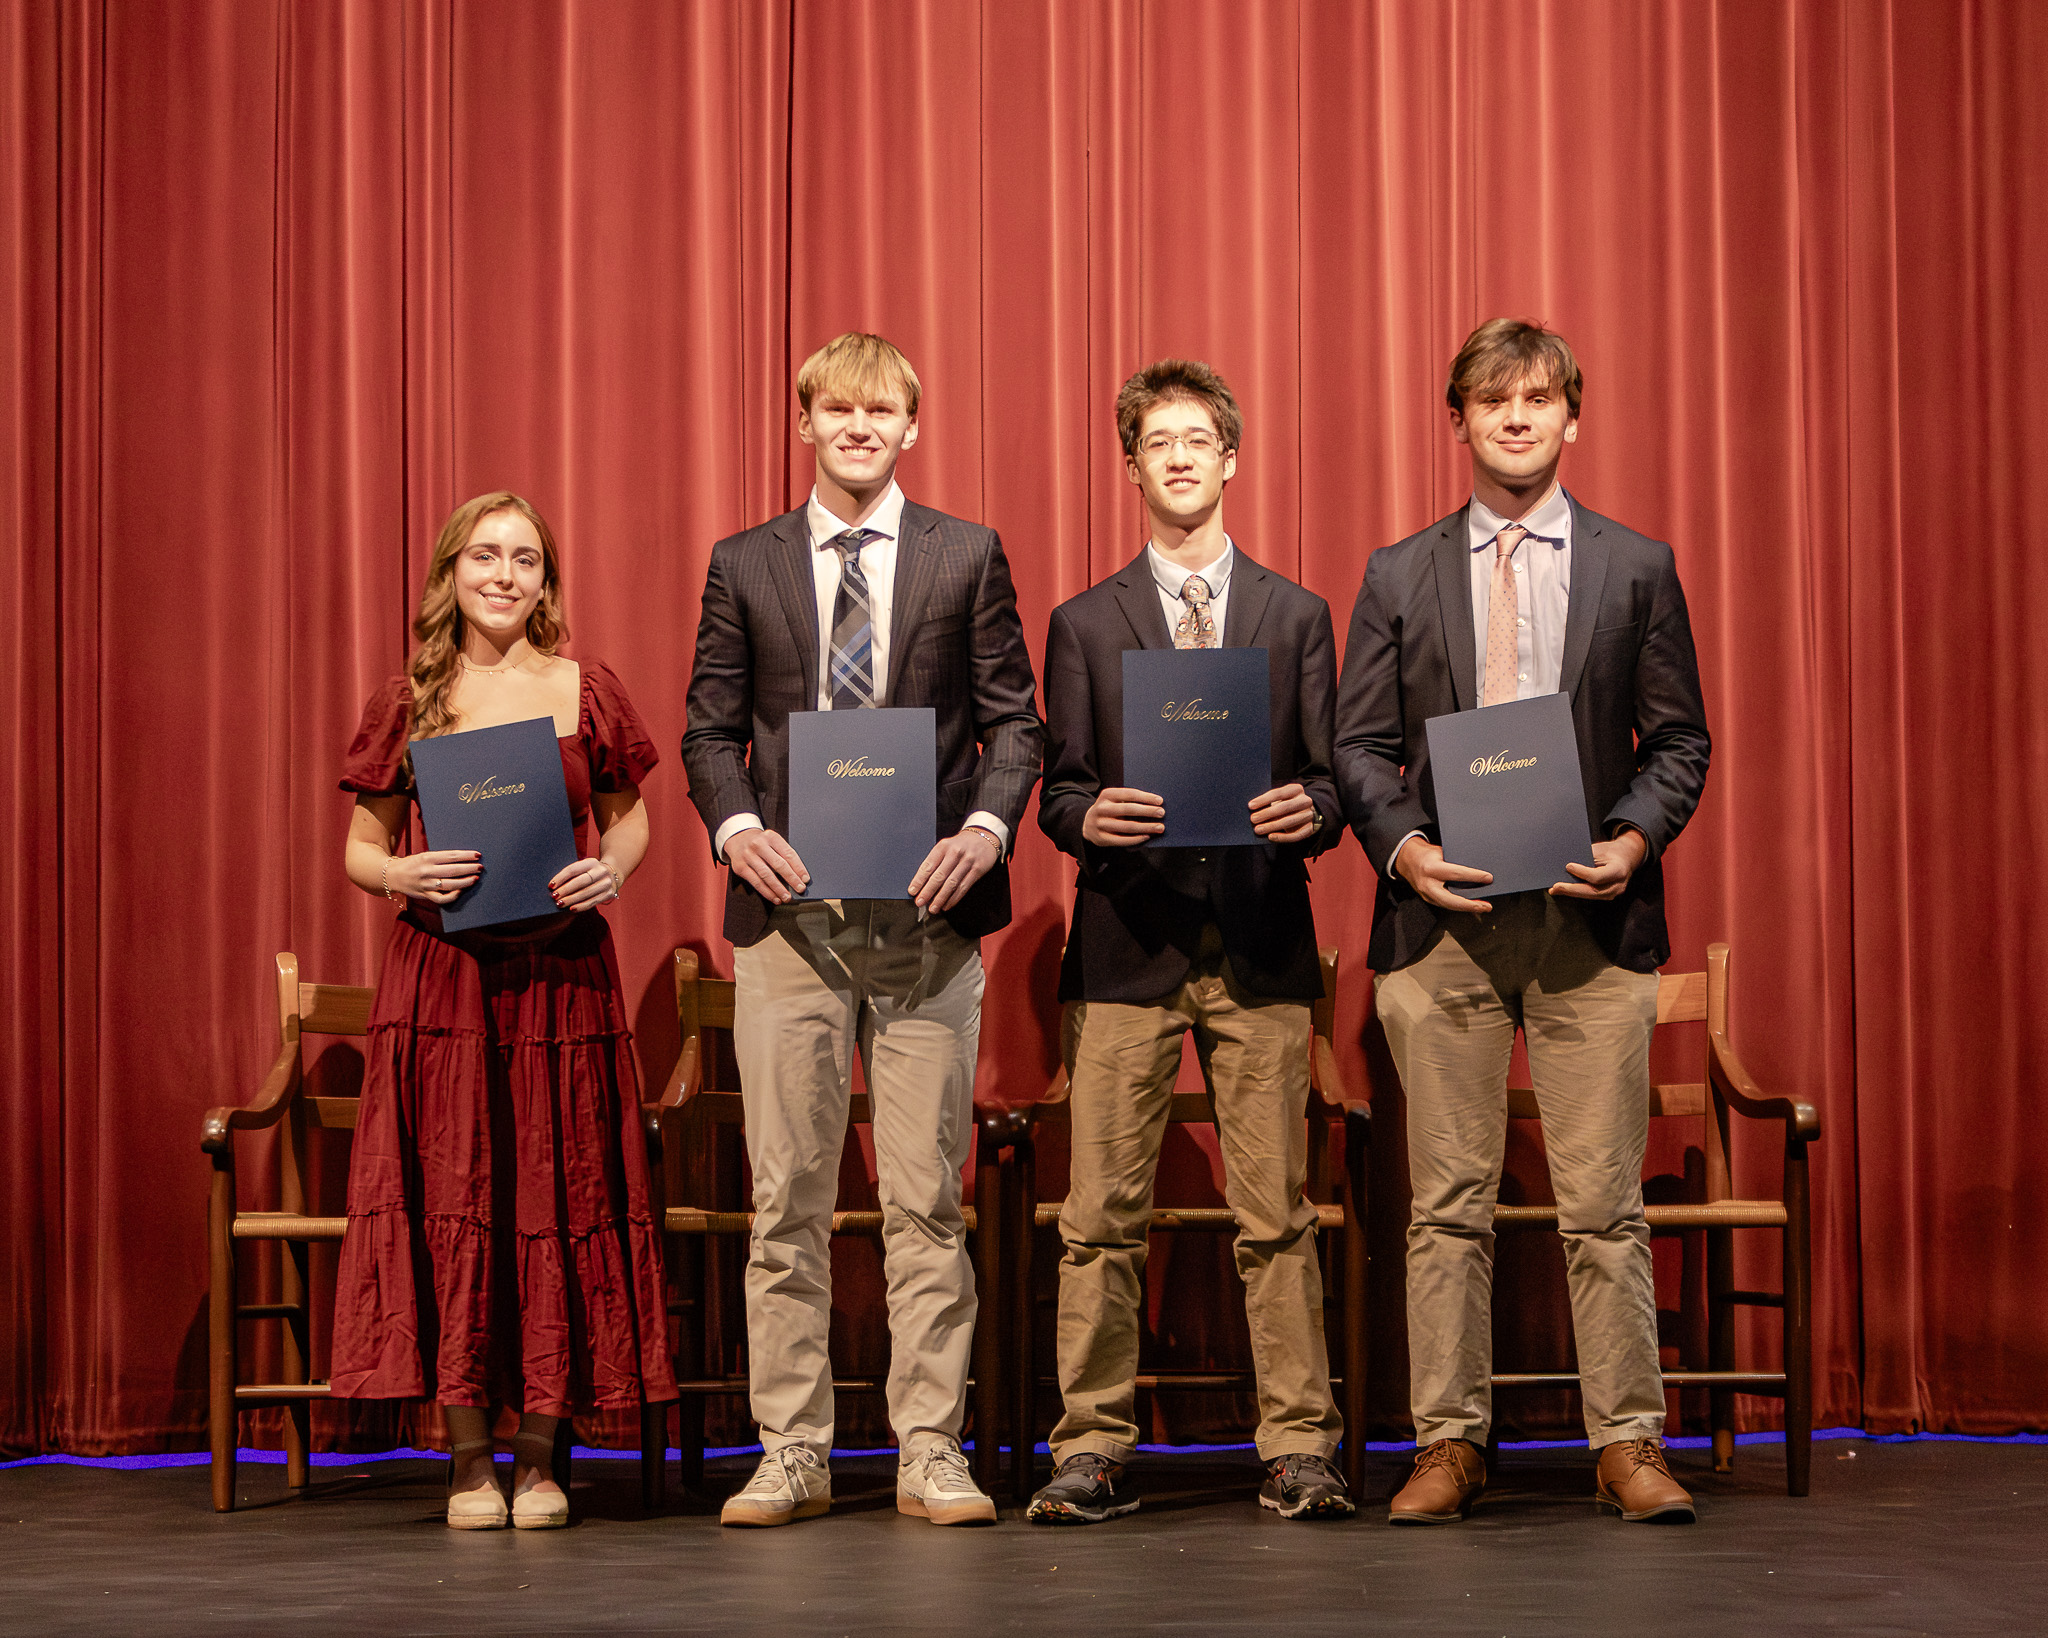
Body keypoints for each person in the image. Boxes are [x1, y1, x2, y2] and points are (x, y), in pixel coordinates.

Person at [1334, 319, 1712, 1525]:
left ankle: (1626, 1443)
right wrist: (1405, 848)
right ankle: (1447, 1444)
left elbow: (1678, 741)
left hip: (1585, 927)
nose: (1513, 417)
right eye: (1491, 399)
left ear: (1570, 417)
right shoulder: (1396, 572)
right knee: (1444, 1206)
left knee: (1602, 1205)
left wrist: (1630, 841)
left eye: (1536, 398)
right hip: (1440, 927)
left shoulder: (1634, 566)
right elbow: (1358, 747)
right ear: (1456, 420)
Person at [681, 332, 1042, 1528]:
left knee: (925, 1199)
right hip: (790, 923)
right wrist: (736, 829)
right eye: (835, 409)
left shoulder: (964, 553)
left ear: (910, 427)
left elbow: (1015, 726)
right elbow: (706, 732)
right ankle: (792, 1450)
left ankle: (928, 1449)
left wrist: (985, 831)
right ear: (803, 423)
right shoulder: (744, 563)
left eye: (879, 411)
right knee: (785, 1196)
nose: (856, 427)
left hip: (928, 922)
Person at [1027, 358, 1353, 1526]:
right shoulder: (1081, 622)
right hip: (1126, 945)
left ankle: (1298, 1448)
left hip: (1259, 945)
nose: (1176, 457)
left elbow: (1332, 781)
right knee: (1098, 1221)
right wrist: (1085, 818)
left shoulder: (1296, 615)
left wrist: (1311, 812)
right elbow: (1057, 789)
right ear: (1130, 468)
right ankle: (1090, 1447)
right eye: (1155, 442)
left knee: (1277, 1218)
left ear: (1229, 459)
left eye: (1195, 440)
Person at [330, 490, 677, 1531]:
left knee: (558, 1196)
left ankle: (540, 1455)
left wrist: (610, 871)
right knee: (456, 1199)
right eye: (484, 556)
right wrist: (400, 872)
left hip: (562, 980)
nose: (504, 575)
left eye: (525, 560)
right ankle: (470, 1457)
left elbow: (630, 822)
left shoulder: (585, 689)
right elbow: (359, 849)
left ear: (545, 582)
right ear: (451, 572)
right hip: (443, 985)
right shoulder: (411, 698)